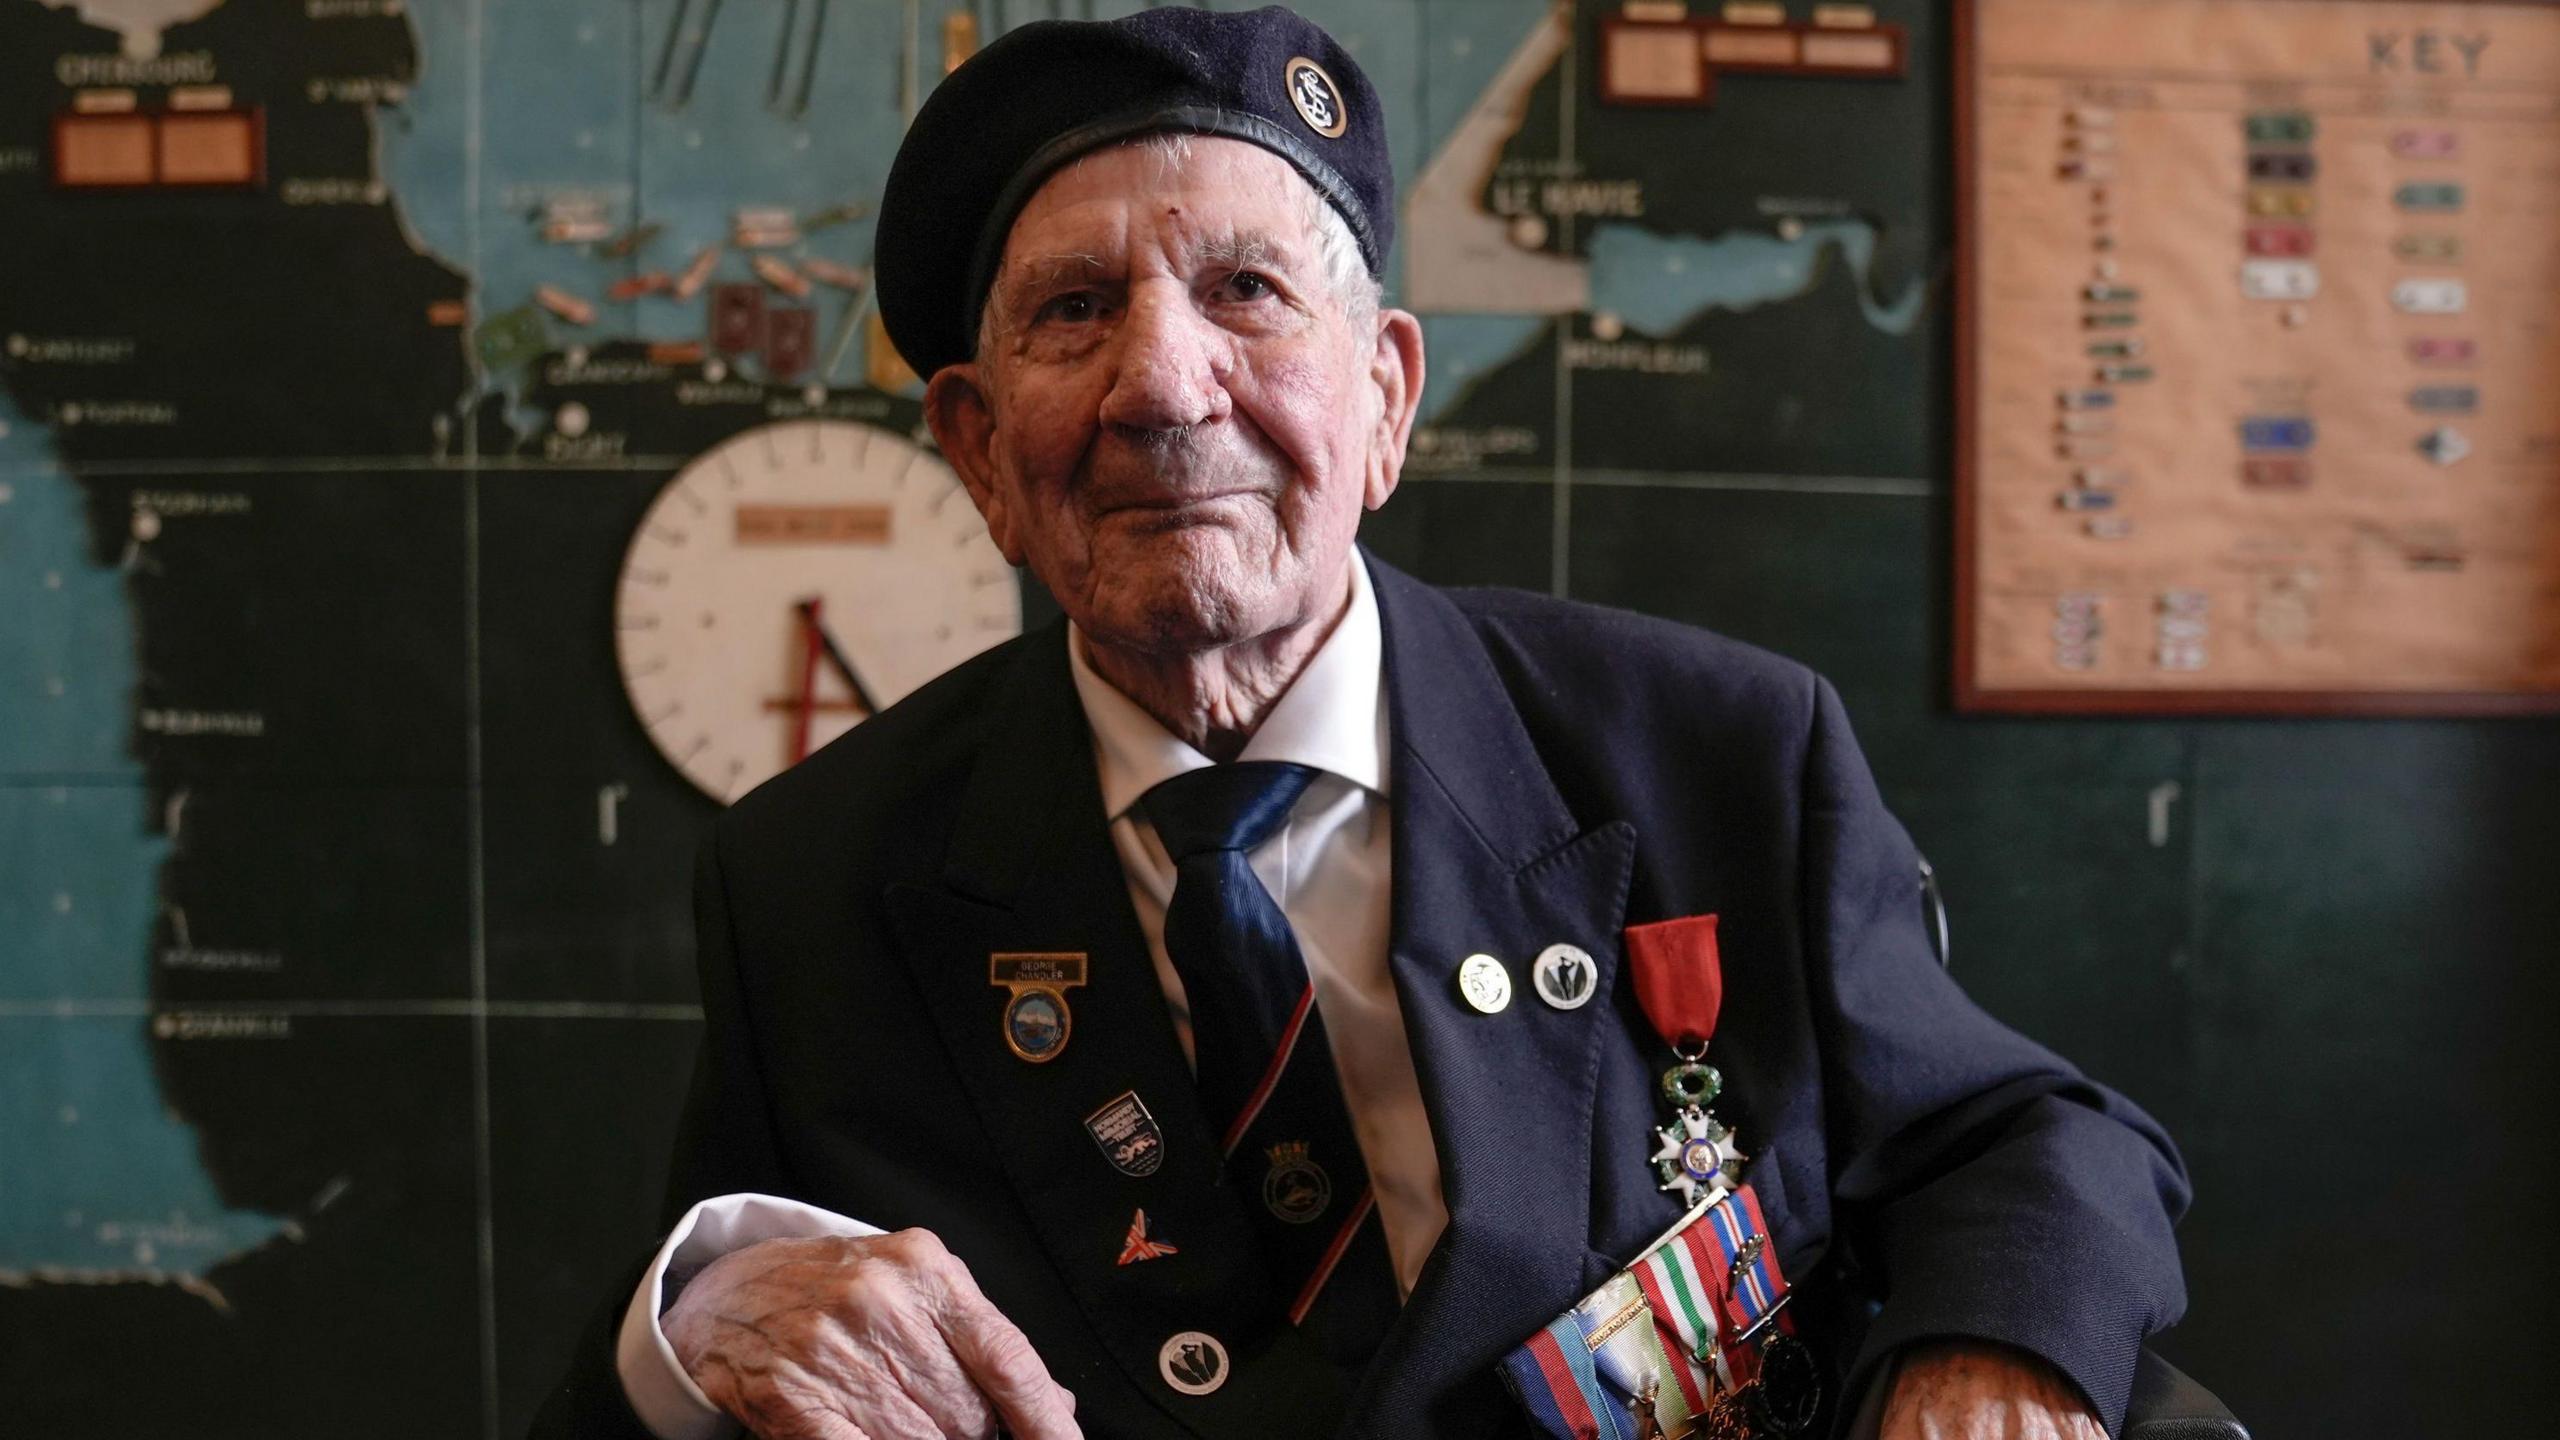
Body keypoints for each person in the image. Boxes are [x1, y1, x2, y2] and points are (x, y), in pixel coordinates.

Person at [533, 8, 2189, 1438]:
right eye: (1073, 311)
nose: (1163, 387)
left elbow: (2024, 1137)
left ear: (1387, 398)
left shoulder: (1719, 753)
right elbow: (700, 1360)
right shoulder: (811, 885)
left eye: (1246, 291)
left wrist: (1995, 1354)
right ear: (977, 453)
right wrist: (697, 1324)